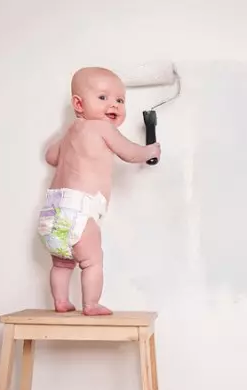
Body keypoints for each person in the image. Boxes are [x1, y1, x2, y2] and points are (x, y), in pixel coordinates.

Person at [38, 67, 160, 315]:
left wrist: (66, 137)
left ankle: (61, 301)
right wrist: (150, 151)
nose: (113, 105)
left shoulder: (72, 131)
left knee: (62, 264)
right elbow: (129, 152)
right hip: (80, 209)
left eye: (120, 100)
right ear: (78, 103)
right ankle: (91, 304)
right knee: (92, 261)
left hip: (52, 211)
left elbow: (51, 156)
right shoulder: (103, 129)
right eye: (103, 98)